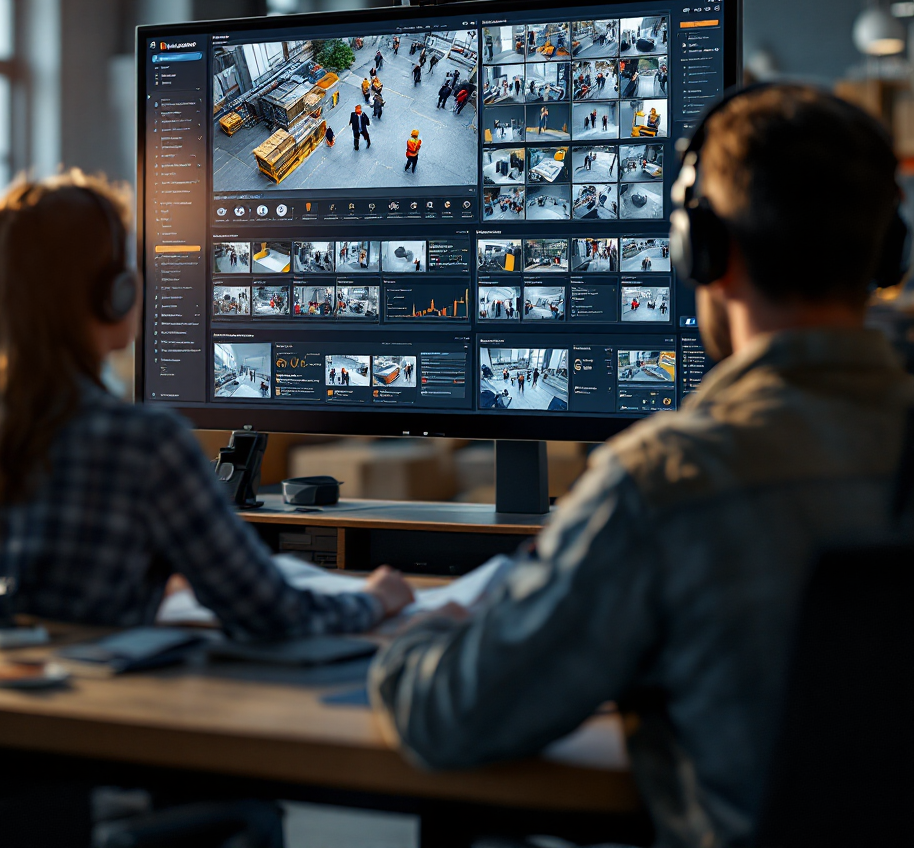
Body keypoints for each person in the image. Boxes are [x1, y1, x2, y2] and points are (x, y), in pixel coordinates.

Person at [369, 86, 913, 848]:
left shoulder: (668, 480)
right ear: (887, 253)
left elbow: (450, 716)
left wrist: (423, 632)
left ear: (705, 250)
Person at [0, 173, 414, 636]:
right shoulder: (144, 443)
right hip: (98, 722)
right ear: (115, 294)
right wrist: (374, 600)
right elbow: (274, 613)